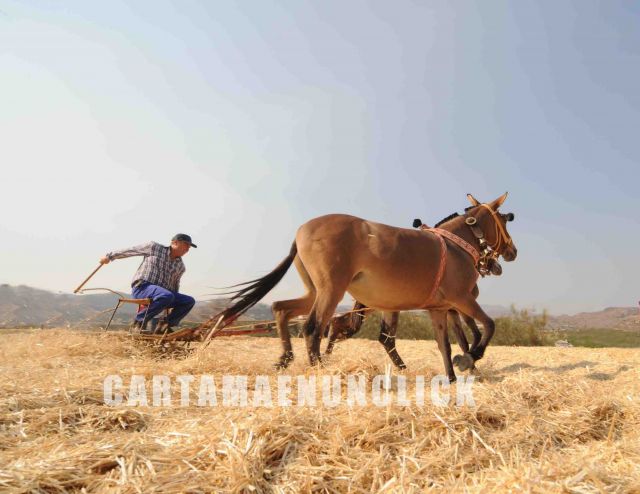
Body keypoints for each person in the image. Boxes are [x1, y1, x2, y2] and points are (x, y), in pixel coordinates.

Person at [100, 234, 197, 334]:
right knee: (166, 295)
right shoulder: (154, 247)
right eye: (186, 245)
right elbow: (131, 250)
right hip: (143, 287)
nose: (187, 249)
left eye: (189, 247)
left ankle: (164, 326)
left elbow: (175, 286)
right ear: (174, 242)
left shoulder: (180, 266)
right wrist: (110, 256)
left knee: (188, 301)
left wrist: (173, 303)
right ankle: (138, 322)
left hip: (163, 295)